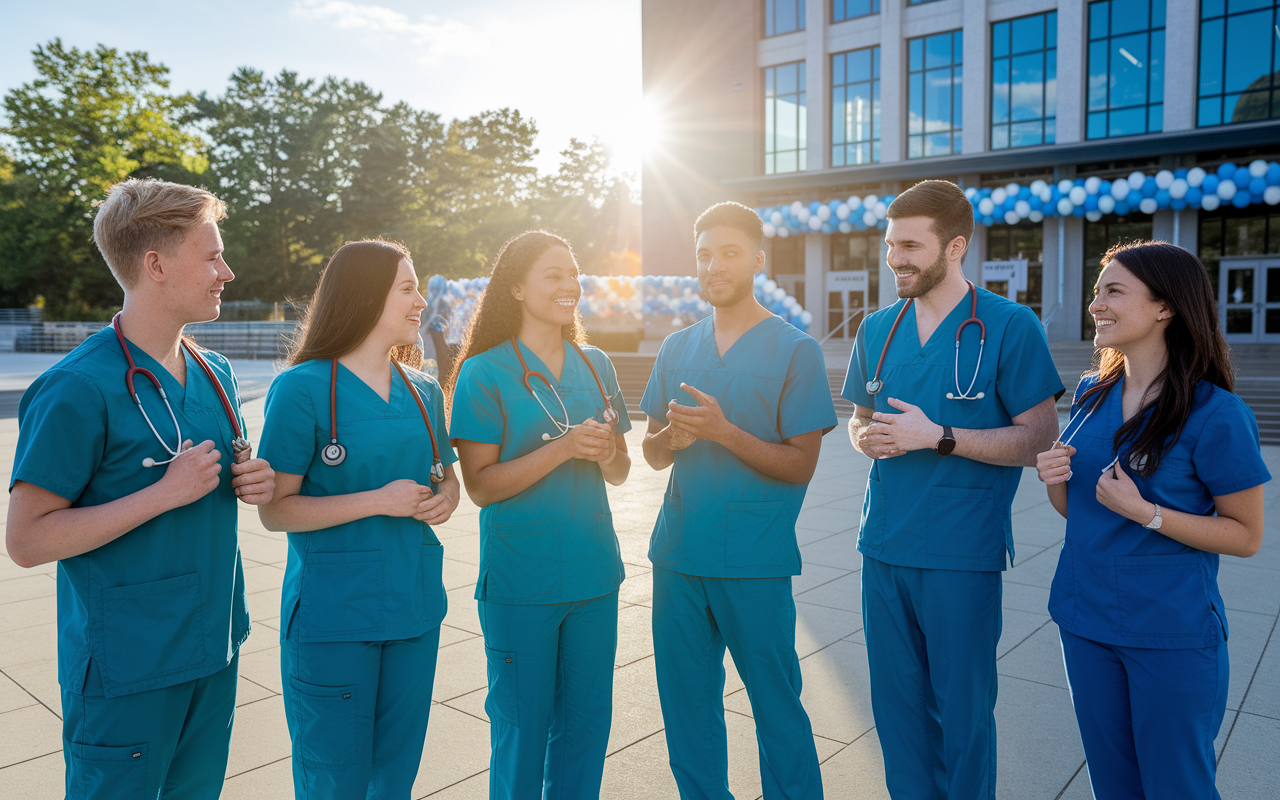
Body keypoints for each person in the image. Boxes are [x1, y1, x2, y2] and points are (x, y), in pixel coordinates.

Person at [5, 178, 276, 799]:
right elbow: (27, 539)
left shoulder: (216, 371)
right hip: (129, 666)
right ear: (154, 264)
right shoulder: (76, 387)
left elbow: (210, 476)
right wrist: (161, 493)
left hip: (214, 647)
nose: (226, 272)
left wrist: (247, 479)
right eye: (211, 256)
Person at [841, 180, 1062, 799]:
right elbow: (859, 418)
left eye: (910, 245)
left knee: (963, 717)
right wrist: (866, 438)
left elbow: (1039, 440)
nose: (895, 259)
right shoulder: (878, 328)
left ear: (956, 246)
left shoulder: (1010, 326)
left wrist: (938, 436)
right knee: (898, 718)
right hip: (883, 547)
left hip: (960, 555)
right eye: (890, 245)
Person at [1035, 241, 1269, 800]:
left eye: (1113, 291)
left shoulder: (1217, 414)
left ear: (1166, 307)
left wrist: (1149, 514)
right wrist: (1053, 481)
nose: (1096, 304)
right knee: (1113, 784)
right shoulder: (1093, 393)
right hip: (1085, 620)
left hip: (1169, 634)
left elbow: (1247, 536)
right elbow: (1078, 510)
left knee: (1176, 787)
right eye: (1097, 291)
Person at [641, 201, 835, 800]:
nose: (714, 266)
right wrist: (671, 438)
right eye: (704, 255)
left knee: (776, 705)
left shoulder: (795, 351)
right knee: (686, 708)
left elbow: (801, 465)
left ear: (756, 258)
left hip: (754, 558)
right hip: (679, 554)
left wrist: (725, 433)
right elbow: (651, 453)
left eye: (728, 253)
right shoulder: (677, 347)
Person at [256, 239, 460, 799]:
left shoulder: (421, 391)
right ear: (367, 295)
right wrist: (378, 500)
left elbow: (446, 474)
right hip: (334, 620)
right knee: (335, 781)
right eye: (408, 288)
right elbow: (276, 511)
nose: (422, 300)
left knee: (394, 777)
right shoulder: (300, 390)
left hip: (414, 611)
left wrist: (448, 496)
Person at [447, 230, 631, 800]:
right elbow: (480, 486)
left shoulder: (595, 364)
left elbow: (621, 470)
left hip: (594, 575)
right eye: (554, 274)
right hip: (521, 582)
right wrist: (564, 448)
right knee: (522, 730)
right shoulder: (483, 372)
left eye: (573, 273)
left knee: (584, 730)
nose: (569, 285)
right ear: (518, 288)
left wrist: (606, 452)